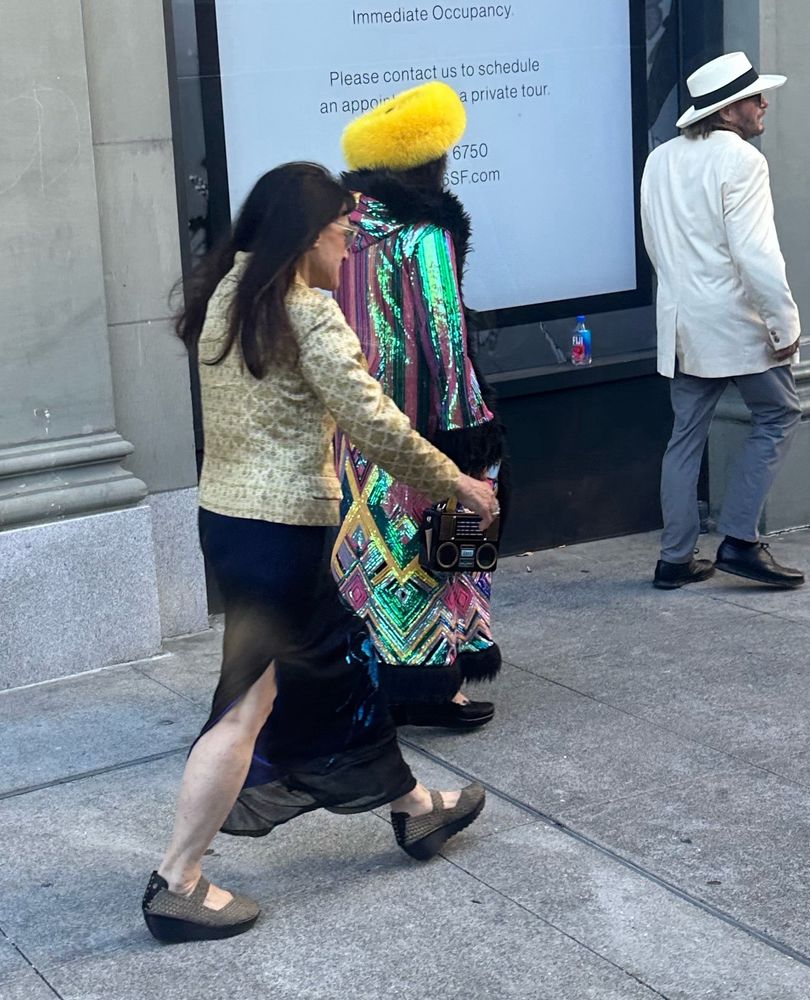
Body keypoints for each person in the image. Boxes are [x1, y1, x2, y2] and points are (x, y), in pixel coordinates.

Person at [141, 162, 499, 944]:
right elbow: (374, 424)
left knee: (337, 668)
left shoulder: (227, 293)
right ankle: (179, 879)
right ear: (307, 235)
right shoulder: (308, 313)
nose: (350, 243)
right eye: (341, 229)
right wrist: (460, 487)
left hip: (229, 522)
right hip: (282, 535)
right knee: (248, 702)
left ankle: (412, 809)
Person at [331, 82, 506, 730]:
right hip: (428, 424)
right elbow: (444, 332)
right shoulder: (424, 233)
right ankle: (441, 683)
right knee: (451, 545)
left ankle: (379, 680)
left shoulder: (344, 227)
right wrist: (468, 431)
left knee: (374, 555)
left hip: (358, 429)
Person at [640, 51, 806, 591]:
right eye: (756, 97)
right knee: (779, 414)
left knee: (684, 438)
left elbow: (655, 246)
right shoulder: (743, 161)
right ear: (729, 111)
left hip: (682, 323)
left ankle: (674, 560)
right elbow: (756, 254)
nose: (764, 105)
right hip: (736, 320)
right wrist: (783, 323)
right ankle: (739, 540)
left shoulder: (660, 159)